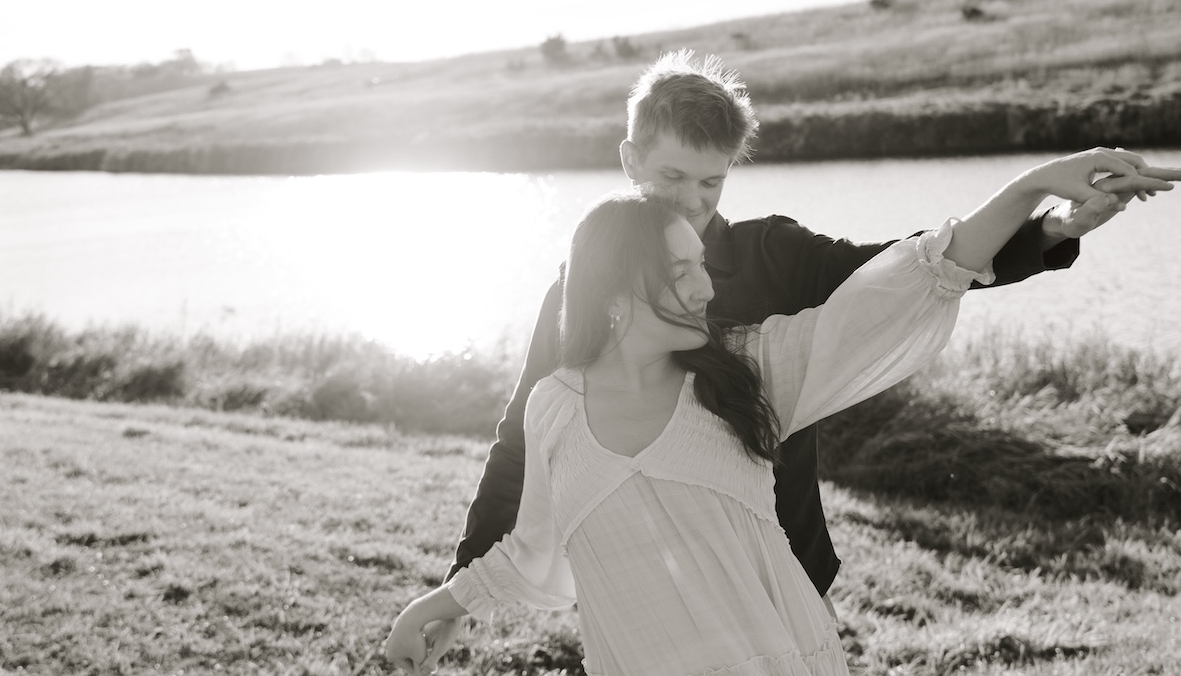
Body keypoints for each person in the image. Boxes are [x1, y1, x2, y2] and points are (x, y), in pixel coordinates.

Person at [434, 49, 1145, 651]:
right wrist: (460, 587)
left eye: (709, 182)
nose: (689, 202)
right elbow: (528, 438)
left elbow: (902, 272)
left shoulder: (770, 253)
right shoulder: (577, 288)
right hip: (647, 594)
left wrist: (1046, 227)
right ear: (629, 160)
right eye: (671, 178)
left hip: (783, 572)